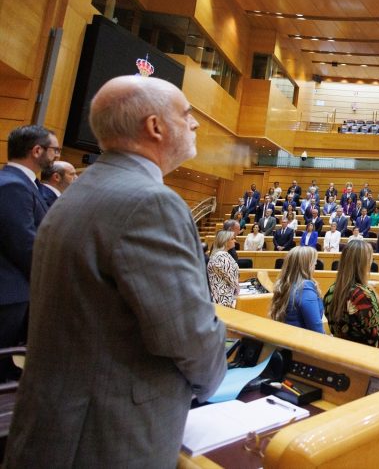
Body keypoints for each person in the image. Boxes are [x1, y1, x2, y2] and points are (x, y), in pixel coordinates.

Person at [5, 77, 225, 467]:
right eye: (187, 114)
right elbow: (188, 334)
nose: (195, 124)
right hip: (108, 434)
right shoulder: (151, 203)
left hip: (59, 422)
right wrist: (213, 383)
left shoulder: (78, 192)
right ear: (155, 127)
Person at [0, 125, 57, 379]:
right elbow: (24, 244)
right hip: (8, 291)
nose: (55, 156)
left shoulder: (22, 182)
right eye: (54, 150)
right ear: (37, 150)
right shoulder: (14, 184)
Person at [324, 238, 379, 348]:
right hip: (366, 356)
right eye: (370, 258)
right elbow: (377, 337)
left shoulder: (331, 290)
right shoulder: (363, 295)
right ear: (363, 263)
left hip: (340, 350)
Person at [270, 246, 324, 333]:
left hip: (287, 338)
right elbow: (316, 327)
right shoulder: (305, 287)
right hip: (302, 342)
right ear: (306, 265)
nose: (315, 265)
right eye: (314, 262)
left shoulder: (286, 284)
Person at [208, 230, 240, 308]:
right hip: (224, 298)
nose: (235, 241)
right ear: (225, 241)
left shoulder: (217, 254)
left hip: (218, 295)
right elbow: (231, 279)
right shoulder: (222, 256)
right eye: (232, 239)